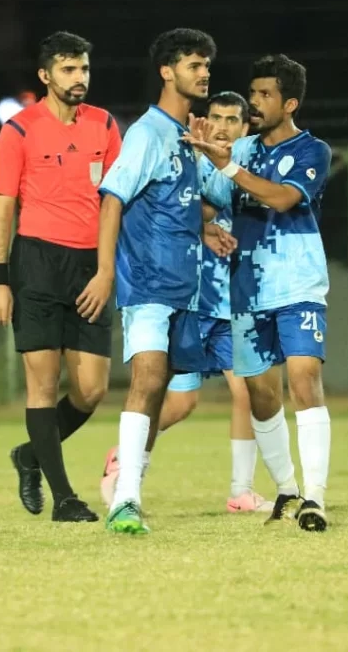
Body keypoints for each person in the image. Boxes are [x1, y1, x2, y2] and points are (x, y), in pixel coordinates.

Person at [75, 28, 235, 534]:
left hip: (186, 285)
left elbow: (203, 200)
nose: (204, 74)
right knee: (147, 377)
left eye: (206, 65)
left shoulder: (187, 135)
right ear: (167, 72)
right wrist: (105, 272)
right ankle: (124, 501)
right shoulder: (147, 133)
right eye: (194, 65)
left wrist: (206, 207)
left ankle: (130, 485)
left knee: (165, 388)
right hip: (146, 281)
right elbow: (113, 198)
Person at [98, 91, 273, 514]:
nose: (222, 127)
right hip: (191, 297)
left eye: (232, 120)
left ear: (246, 127)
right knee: (179, 402)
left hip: (229, 302)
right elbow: (195, 206)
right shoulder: (194, 156)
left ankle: (241, 490)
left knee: (247, 389)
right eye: (216, 118)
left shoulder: (247, 164)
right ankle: (125, 460)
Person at [186, 54, 333, 532]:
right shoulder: (241, 149)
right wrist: (197, 169)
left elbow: (284, 198)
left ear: (289, 104)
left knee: (304, 380)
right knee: (260, 394)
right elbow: (209, 203)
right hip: (247, 290)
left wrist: (228, 167)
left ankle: (315, 498)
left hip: (297, 283)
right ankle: (287, 489)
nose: (255, 102)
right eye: (253, 93)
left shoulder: (312, 150)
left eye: (265, 95)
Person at [0, 31, 122, 523]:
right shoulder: (18, 130)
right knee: (41, 385)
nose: (78, 77)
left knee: (92, 389)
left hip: (90, 265)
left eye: (83, 68)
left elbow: (114, 201)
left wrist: (106, 269)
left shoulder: (105, 124)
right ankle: (65, 498)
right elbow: (4, 209)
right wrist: (0, 280)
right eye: (68, 69)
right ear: (45, 76)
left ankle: (29, 455)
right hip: (38, 263)